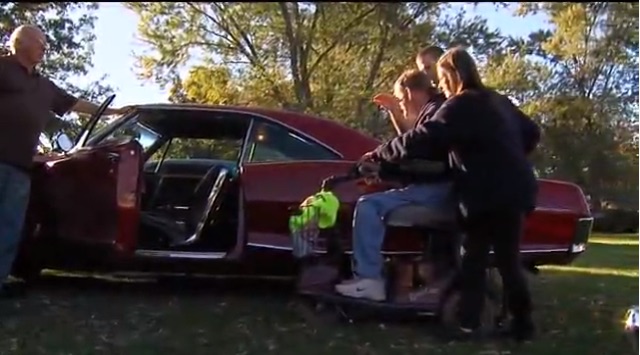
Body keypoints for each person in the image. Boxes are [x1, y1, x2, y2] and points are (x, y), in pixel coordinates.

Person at [364, 46, 540, 341]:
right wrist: (507, 152)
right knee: (506, 260)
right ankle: (521, 325)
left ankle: (469, 324)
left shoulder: (459, 105)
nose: (442, 87)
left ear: (455, 75)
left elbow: (423, 138)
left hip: (487, 192)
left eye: (444, 80)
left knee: (474, 258)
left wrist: (382, 153)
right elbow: (532, 132)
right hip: (516, 187)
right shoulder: (498, 100)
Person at [0, 25, 130, 297]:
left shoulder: (44, 86)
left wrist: (114, 112)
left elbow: (75, 104)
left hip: (21, 169)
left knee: (9, 230)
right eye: (40, 42)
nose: (45, 48)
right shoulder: (3, 69)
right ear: (19, 43)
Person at [334, 69, 452, 301]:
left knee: (369, 205)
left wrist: (382, 164)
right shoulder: (434, 110)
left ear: (409, 92)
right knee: (377, 201)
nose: (402, 105)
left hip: (438, 189)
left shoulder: (435, 113)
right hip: (438, 187)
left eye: (400, 99)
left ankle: (369, 279)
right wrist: (387, 170)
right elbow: (415, 152)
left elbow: (422, 155)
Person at [373, 45, 445, 134]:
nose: (425, 74)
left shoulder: (442, 105)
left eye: (428, 67)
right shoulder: (434, 104)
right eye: (421, 70)